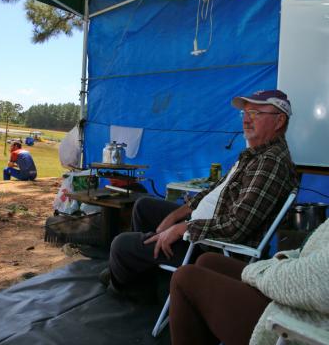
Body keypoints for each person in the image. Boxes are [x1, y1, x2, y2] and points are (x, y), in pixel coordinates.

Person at [100, 89, 298, 294]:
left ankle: (124, 285)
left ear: (279, 120)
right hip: (203, 230)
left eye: (255, 113)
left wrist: (181, 228)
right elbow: (215, 191)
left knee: (121, 244)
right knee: (143, 206)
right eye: (244, 114)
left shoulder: (270, 162)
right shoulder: (254, 155)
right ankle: (142, 274)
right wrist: (178, 214)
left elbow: (237, 226)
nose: (246, 120)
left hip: (212, 248)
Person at [169, 217, 329, 345]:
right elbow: (306, 252)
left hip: (306, 324)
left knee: (185, 277)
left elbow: (318, 281)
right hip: (301, 299)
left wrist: (258, 271)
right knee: (207, 261)